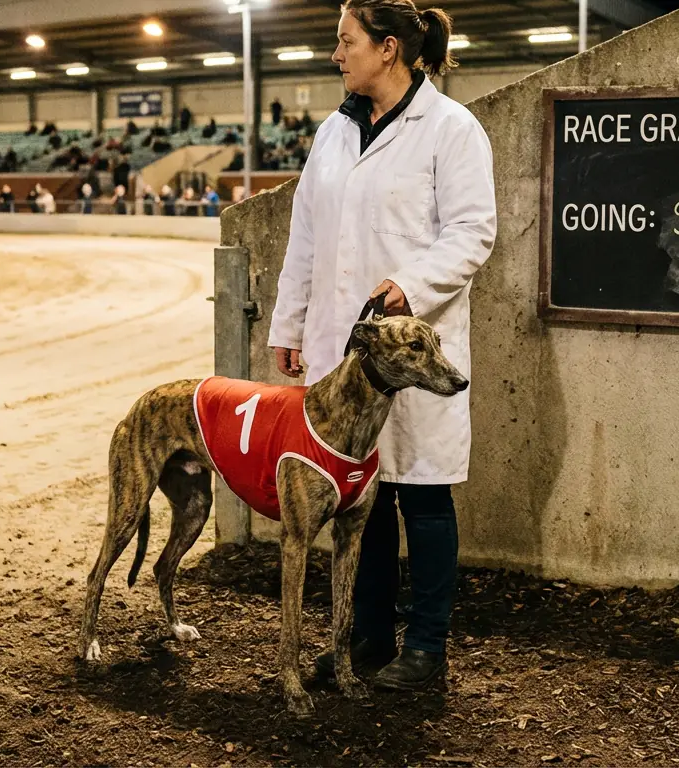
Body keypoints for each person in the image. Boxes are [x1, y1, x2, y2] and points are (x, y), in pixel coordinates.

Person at [267, 0, 495, 691]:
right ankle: (365, 635)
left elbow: (472, 232)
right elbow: (306, 236)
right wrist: (290, 325)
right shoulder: (332, 135)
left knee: (422, 495)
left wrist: (410, 283)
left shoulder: (452, 129)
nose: (335, 55)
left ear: (387, 48)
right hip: (347, 358)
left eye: (345, 42)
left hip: (413, 350)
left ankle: (426, 649)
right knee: (355, 495)